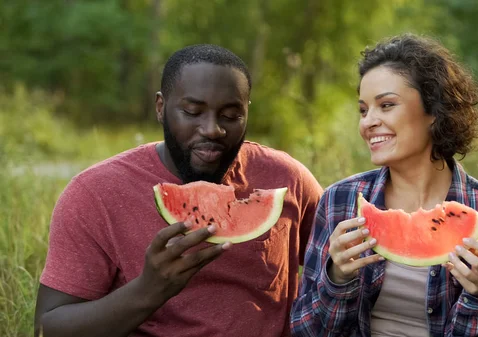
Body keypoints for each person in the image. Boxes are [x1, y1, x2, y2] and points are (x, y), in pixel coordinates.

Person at [33, 44, 324, 337]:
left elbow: (338, 269)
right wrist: (148, 291)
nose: (212, 129)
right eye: (192, 112)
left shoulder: (287, 179)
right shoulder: (94, 194)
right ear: (161, 108)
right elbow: (48, 327)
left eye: (230, 115)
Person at [290, 33, 478, 336]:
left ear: (434, 110)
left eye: (386, 105)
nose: (368, 122)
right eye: (363, 110)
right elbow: (305, 331)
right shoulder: (340, 201)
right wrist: (336, 277)